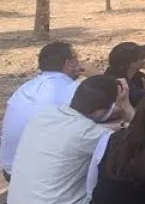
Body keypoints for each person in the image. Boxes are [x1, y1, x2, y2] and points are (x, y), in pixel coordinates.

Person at [7, 75, 134, 204]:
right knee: (116, 188)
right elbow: (143, 135)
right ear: (100, 111)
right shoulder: (87, 134)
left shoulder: (46, 114)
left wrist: (121, 125)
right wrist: (127, 106)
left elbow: (93, 129)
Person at [1, 42, 83, 181]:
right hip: (42, 175)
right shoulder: (72, 90)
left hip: (11, 169)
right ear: (69, 63)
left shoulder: (25, 88)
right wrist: (97, 76)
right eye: (77, 58)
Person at [105, 42, 145, 106]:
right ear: (128, 62)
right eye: (141, 57)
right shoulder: (117, 82)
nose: (144, 60)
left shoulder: (138, 76)